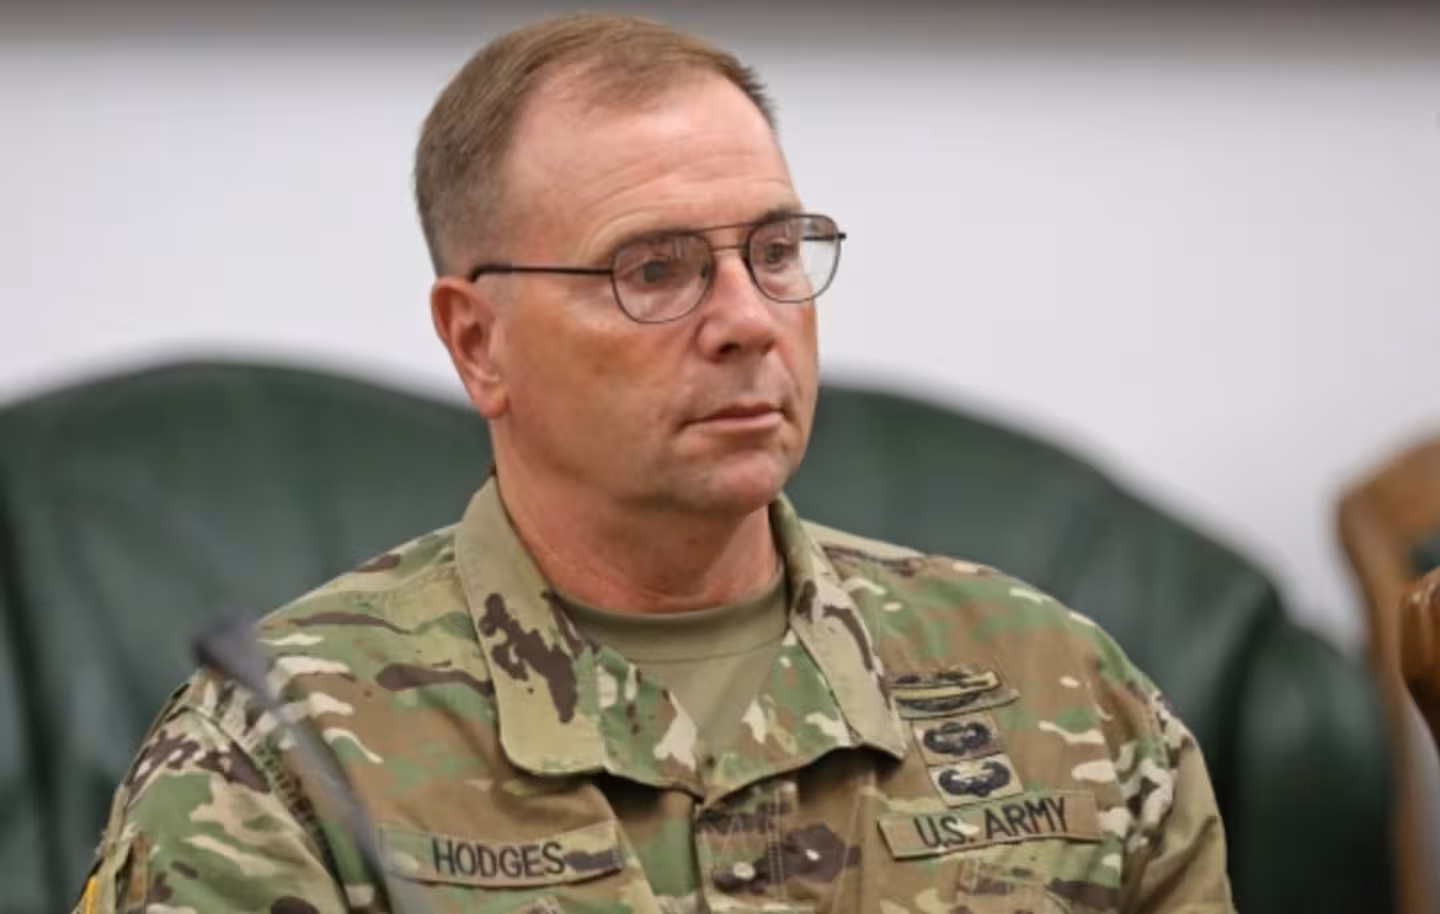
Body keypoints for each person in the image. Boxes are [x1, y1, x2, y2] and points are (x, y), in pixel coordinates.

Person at [74, 14, 1233, 914]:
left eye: (776, 251)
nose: (749, 319)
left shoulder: (1064, 692)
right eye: (654, 269)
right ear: (478, 341)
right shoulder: (283, 757)